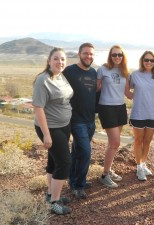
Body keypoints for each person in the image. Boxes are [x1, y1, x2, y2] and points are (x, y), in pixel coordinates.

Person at [32, 47, 73, 215]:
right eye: (56, 58)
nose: (60, 62)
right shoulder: (43, 80)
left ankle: (50, 195)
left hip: (64, 126)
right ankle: (54, 203)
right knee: (65, 163)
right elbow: (38, 108)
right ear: (49, 61)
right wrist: (47, 135)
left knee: (53, 162)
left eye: (62, 59)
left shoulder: (61, 76)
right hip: (50, 128)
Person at [63, 43, 97, 199]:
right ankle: (79, 186)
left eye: (91, 54)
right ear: (79, 53)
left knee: (77, 152)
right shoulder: (70, 71)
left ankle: (74, 180)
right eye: (85, 53)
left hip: (90, 119)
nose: (88, 56)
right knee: (85, 152)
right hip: (76, 120)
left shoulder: (93, 72)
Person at [97, 45, 132, 188]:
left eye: (120, 55)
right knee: (115, 143)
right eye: (114, 55)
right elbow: (95, 88)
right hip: (106, 107)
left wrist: (148, 94)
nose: (117, 57)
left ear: (123, 56)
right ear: (110, 56)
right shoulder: (103, 69)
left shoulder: (125, 72)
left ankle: (108, 170)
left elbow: (128, 94)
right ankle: (104, 175)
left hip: (120, 108)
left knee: (113, 144)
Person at [128, 51, 154, 181]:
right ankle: (139, 167)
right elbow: (127, 88)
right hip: (138, 113)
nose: (149, 62)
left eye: (151, 60)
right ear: (142, 61)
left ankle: (143, 164)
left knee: (147, 142)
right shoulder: (135, 74)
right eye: (146, 60)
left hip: (153, 113)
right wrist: (130, 96)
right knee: (138, 140)